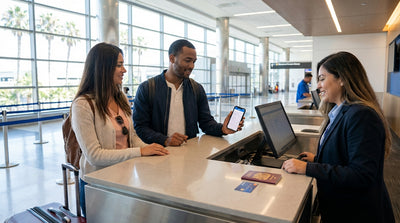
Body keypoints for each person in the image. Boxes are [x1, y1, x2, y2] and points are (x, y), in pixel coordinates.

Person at [282, 52, 395, 223]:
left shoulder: (361, 116)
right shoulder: (342, 112)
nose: (318, 85)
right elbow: (346, 155)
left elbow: (361, 175)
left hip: (358, 214)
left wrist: (307, 168)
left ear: (342, 78)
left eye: (322, 78)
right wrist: (317, 159)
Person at [71, 42, 169, 216]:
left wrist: (152, 150)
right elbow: (94, 156)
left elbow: (131, 136)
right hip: (97, 185)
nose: (124, 70)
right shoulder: (83, 105)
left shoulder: (120, 96)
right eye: (119, 65)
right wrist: (140, 151)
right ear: (102, 68)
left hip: (124, 179)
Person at [132, 39, 244, 146]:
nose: (191, 66)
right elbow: (140, 127)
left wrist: (222, 129)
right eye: (187, 60)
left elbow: (206, 123)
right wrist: (165, 140)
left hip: (189, 153)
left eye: (194, 61)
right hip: (159, 154)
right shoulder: (147, 88)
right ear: (172, 58)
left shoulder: (196, 89)